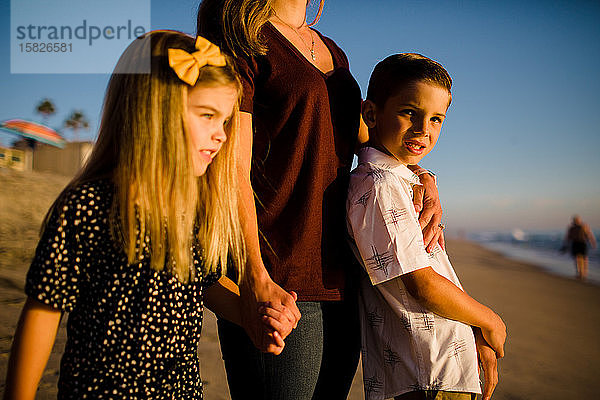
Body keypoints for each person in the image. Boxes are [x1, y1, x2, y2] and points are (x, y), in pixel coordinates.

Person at [3, 31, 295, 400]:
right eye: (207, 115)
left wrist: (251, 314)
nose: (221, 136)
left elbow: (202, 286)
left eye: (224, 121)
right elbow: (44, 312)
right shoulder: (90, 206)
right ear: (154, 112)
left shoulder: (195, 209)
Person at [197, 1, 445, 399]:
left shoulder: (334, 52)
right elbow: (228, 170)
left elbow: (372, 143)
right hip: (278, 275)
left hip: (342, 278)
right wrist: (254, 278)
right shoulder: (242, 36)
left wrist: (424, 176)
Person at [346, 54, 507, 400]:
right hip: (426, 373)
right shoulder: (380, 185)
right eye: (409, 113)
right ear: (371, 114)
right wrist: (490, 320)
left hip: (436, 368)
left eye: (436, 119)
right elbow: (421, 284)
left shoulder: (401, 179)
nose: (424, 130)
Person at [563, 215, 597, 281]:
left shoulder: (583, 226)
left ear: (580, 220)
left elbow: (589, 235)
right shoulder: (571, 228)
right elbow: (568, 237)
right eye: (575, 220)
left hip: (582, 243)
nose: (577, 221)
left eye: (578, 220)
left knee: (584, 258)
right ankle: (579, 273)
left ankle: (584, 273)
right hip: (576, 243)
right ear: (573, 221)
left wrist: (593, 242)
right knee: (578, 258)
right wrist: (566, 245)